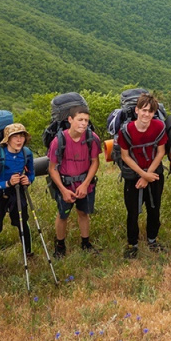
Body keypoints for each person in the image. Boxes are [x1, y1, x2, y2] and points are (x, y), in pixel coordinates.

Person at [117, 93, 168, 258]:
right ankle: (132, 244)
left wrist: (147, 175)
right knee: (132, 212)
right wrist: (143, 175)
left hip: (153, 174)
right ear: (137, 110)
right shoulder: (126, 130)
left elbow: (161, 152)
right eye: (144, 110)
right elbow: (125, 156)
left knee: (154, 209)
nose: (147, 114)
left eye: (150, 111)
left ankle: (152, 240)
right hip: (134, 176)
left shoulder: (159, 127)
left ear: (154, 113)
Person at [0, 122, 35, 272]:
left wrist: (28, 180)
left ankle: (29, 253)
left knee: (23, 222)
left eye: (22, 136)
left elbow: (31, 173)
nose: (19, 140)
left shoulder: (26, 153)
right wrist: (6, 183)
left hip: (17, 193)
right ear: (8, 140)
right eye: (15, 137)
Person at [47, 105, 100, 257]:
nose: (83, 123)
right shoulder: (59, 141)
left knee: (83, 213)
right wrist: (63, 190)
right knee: (62, 215)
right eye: (80, 120)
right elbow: (52, 168)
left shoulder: (92, 138)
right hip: (65, 184)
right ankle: (60, 245)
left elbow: (95, 162)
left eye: (86, 120)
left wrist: (85, 185)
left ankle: (85, 243)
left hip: (85, 184)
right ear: (70, 120)